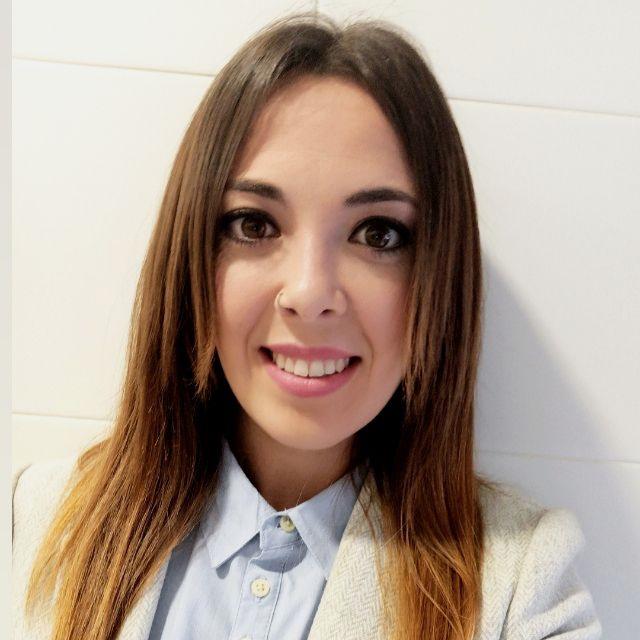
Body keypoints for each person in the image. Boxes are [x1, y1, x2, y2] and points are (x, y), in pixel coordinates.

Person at [12, 11, 602, 640]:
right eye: (254, 224)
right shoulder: (39, 521)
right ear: (192, 255)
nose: (310, 293)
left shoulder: (519, 584)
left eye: (378, 234)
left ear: (438, 275)